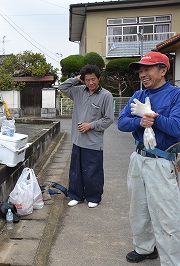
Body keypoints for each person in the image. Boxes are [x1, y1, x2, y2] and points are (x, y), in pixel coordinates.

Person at [118, 51, 180, 265]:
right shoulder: (138, 95)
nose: (142, 74)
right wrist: (139, 123)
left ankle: (172, 261)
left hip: (162, 161)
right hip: (138, 157)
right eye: (140, 70)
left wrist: (153, 117)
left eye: (148, 69)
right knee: (139, 208)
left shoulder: (175, 95)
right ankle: (144, 248)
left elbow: (178, 128)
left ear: (163, 70)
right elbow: (121, 123)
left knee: (167, 216)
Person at [58, 64, 114, 208]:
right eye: (87, 80)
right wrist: (77, 79)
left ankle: (93, 197)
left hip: (94, 141)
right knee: (75, 170)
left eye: (93, 79)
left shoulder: (106, 95)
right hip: (78, 139)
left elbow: (109, 119)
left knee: (93, 171)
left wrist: (91, 125)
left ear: (99, 78)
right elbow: (62, 87)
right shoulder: (78, 91)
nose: (90, 83)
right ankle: (76, 195)